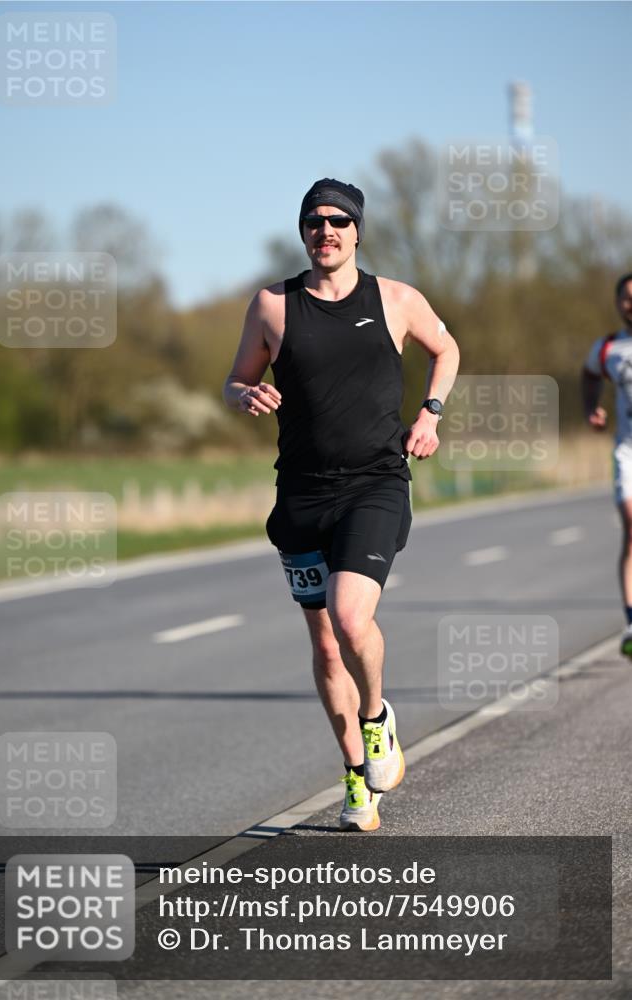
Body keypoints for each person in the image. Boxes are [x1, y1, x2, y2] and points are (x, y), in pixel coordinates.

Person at [224, 178, 460, 831]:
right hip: (300, 494)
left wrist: (430, 414)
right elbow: (236, 377)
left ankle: (377, 715)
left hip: (374, 485)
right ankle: (357, 779)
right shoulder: (273, 306)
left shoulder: (395, 299)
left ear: (357, 231)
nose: (324, 231)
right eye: (313, 222)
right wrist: (243, 394)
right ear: (302, 232)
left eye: (336, 221)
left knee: (350, 618)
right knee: (326, 650)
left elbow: (447, 350)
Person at [582, 271, 632, 658]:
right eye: (626, 297)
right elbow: (588, 374)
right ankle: (631, 621)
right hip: (627, 450)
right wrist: (591, 408)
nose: (631, 303)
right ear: (618, 303)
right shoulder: (608, 348)